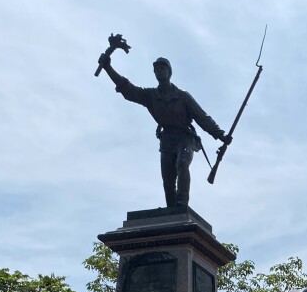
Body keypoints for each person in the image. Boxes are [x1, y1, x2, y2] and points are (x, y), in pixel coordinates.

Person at [97, 53, 231, 207]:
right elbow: (129, 90)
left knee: (182, 164)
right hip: (167, 140)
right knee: (168, 180)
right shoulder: (150, 96)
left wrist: (220, 134)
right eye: (156, 69)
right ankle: (171, 211)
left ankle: (182, 204)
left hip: (184, 138)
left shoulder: (183, 97)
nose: (159, 71)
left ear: (169, 72)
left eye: (162, 68)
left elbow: (202, 117)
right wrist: (108, 68)